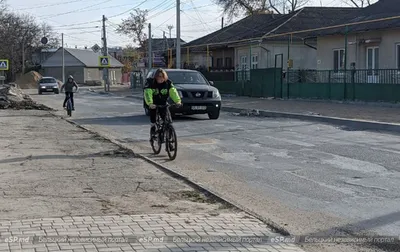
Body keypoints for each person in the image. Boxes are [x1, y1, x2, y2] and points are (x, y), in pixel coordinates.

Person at [143, 68, 181, 138]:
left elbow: (173, 92)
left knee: (166, 118)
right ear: (156, 77)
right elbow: (148, 93)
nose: (160, 78)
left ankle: (169, 134)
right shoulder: (150, 83)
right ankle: (153, 129)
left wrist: (177, 101)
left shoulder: (168, 83)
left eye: (162, 77)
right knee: (153, 116)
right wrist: (150, 103)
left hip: (163, 102)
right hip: (153, 103)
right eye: (158, 76)